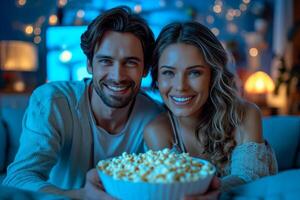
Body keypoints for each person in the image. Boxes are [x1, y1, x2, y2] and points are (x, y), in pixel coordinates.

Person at [3, 6, 163, 199]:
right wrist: (80, 195)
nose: (117, 76)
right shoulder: (53, 102)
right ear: (89, 64)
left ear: (144, 69)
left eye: (130, 62)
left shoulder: (155, 117)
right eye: (106, 61)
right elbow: (18, 180)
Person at [144, 21, 278, 195]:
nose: (180, 86)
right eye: (168, 72)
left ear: (213, 75)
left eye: (194, 72)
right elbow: (178, 191)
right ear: (157, 78)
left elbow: (249, 183)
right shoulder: (157, 131)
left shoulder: (246, 115)